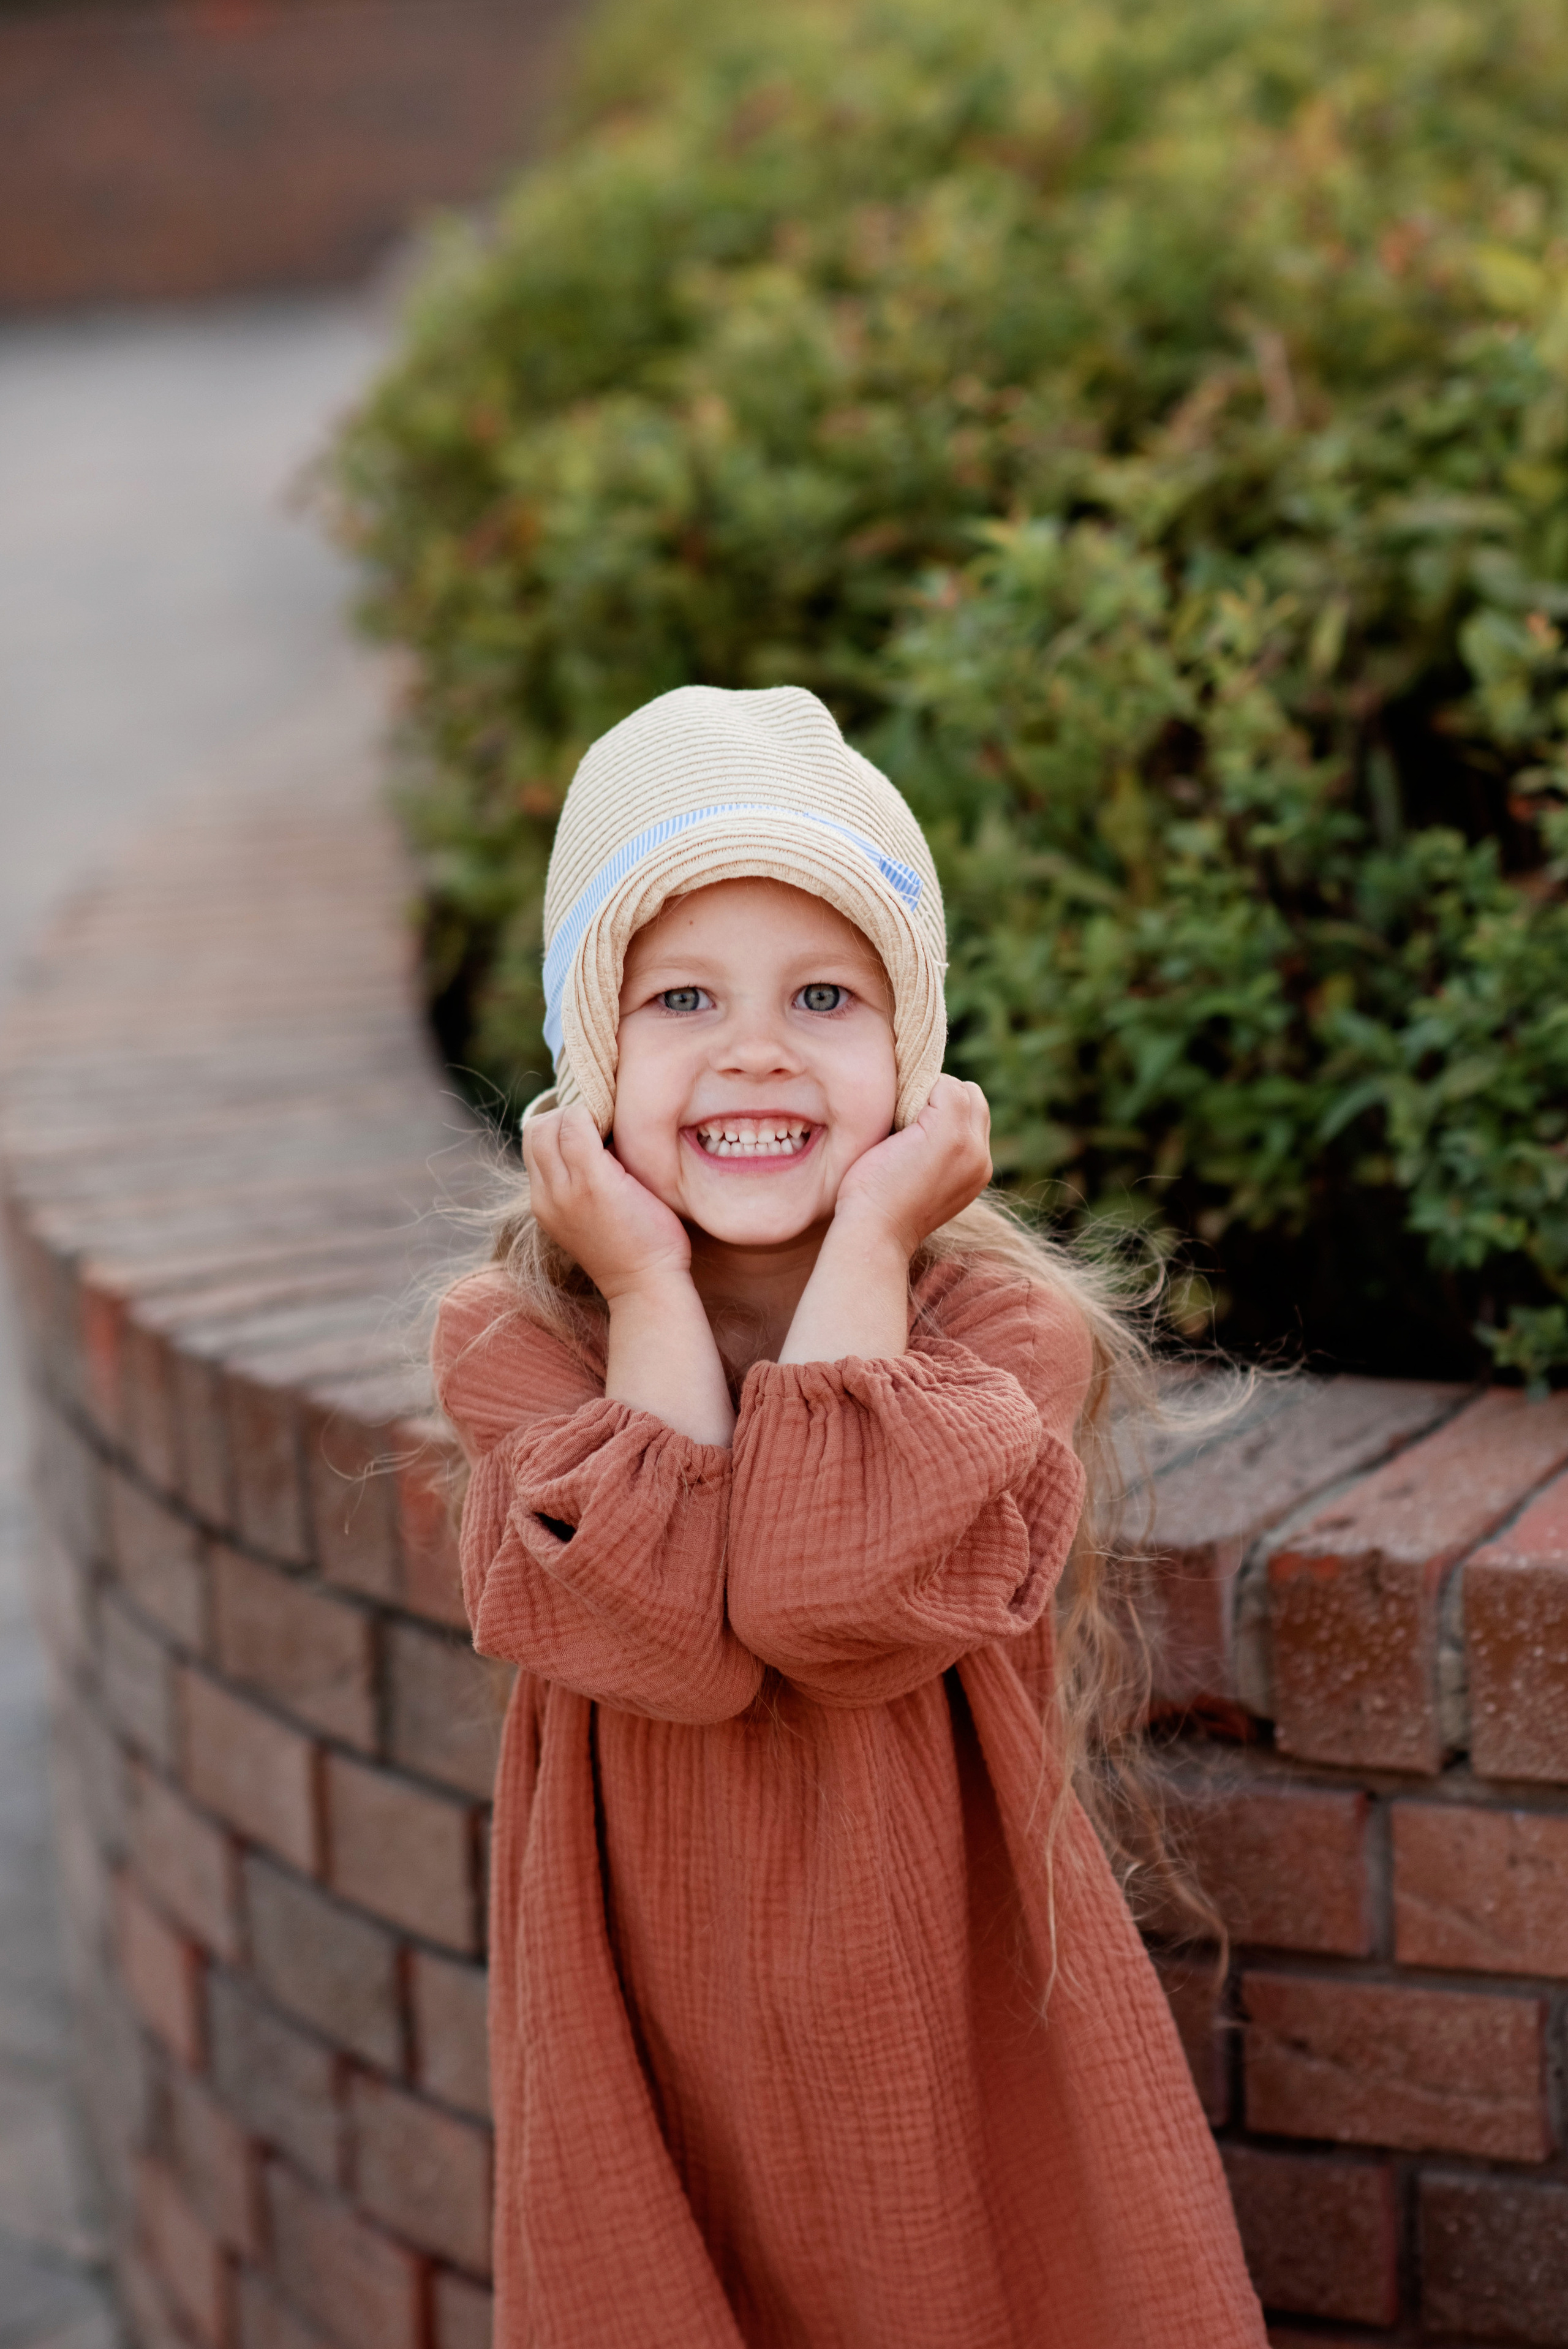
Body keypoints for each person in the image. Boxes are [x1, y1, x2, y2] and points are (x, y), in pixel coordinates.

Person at [432, 685, 1265, 2349]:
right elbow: (665, 1639)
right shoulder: (523, 1344)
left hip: (943, 2022)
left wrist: (875, 1249)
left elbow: (822, 1595)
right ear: (589, 1050)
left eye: (825, 994)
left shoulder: (991, 1338)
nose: (755, 1048)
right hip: (651, 2031)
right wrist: (650, 1284)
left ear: (915, 1053)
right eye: (681, 998)